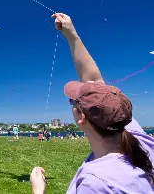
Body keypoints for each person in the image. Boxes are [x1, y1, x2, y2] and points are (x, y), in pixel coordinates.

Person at [30, 13, 154, 194]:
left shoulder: (96, 184)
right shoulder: (137, 138)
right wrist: (72, 35)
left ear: (82, 117)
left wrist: (38, 191)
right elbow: (94, 81)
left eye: (72, 101)